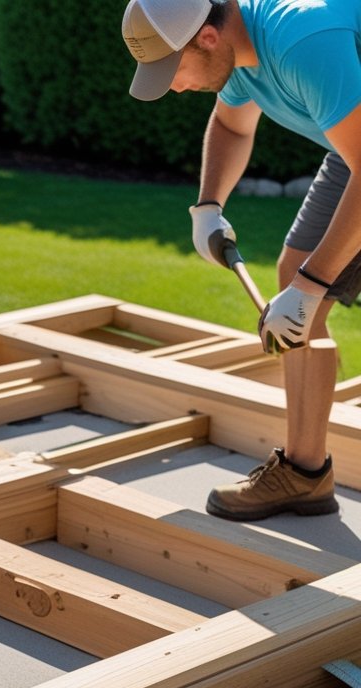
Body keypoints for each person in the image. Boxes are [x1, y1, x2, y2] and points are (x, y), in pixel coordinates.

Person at [121, 0, 361, 521]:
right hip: (355, 158)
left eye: (174, 69)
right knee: (293, 280)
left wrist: (313, 284)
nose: (177, 87)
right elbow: (231, 128)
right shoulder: (239, 51)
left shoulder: (301, 40)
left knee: (304, 285)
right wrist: (207, 207)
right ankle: (304, 472)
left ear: (207, 38)